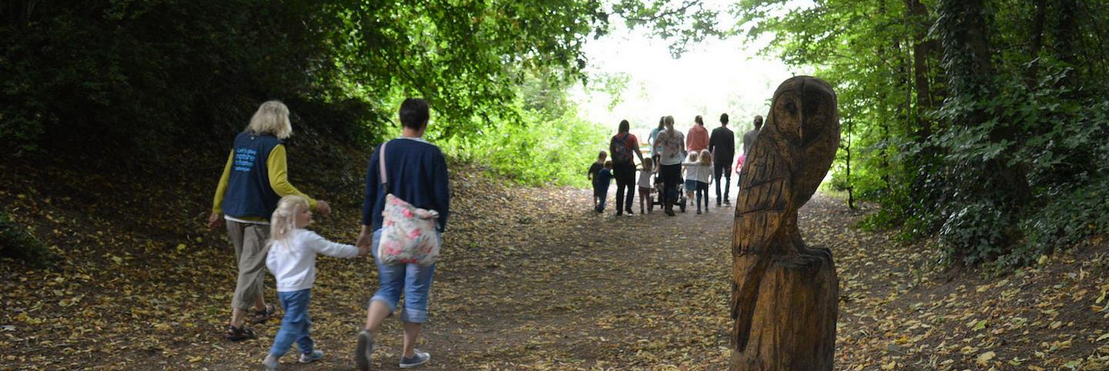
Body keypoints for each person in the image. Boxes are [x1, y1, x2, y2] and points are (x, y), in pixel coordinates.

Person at [207, 100, 332, 341]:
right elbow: (279, 184)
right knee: (251, 267)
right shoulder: (274, 147)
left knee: (248, 266)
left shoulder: (241, 140)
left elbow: (225, 177)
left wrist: (217, 208)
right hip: (257, 215)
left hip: (233, 212)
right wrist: (313, 203)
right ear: (281, 121)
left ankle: (260, 308)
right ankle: (236, 325)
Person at [354, 98, 450, 370]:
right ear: (424, 123)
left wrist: (365, 229)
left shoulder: (382, 150)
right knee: (416, 291)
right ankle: (408, 355)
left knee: (388, 288)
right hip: (421, 233)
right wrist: (440, 227)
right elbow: (442, 197)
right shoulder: (432, 154)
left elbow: (371, 193)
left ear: (401, 120)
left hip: (386, 232)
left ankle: (369, 333)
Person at [261, 196, 366, 371]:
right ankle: (273, 356)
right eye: (304, 211)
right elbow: (333, 249)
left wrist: (282, 276)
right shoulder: (307, 237)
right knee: (293, 323)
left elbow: (270, 262)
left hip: (283, 289)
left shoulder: (280, 238)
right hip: (299, 290)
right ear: (291, 218)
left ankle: (308, 352)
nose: (310, 213)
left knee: (301, 320)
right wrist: (357, 251)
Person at [609, 119, 645, 216]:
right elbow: (637, 150)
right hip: (628, 166)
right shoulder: (631, 138)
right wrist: (643, 161)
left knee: (620, 187)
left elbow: (612, 153)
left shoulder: (614, 138)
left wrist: (614, 164)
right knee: (631, 187)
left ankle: (619, 209)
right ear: (628, 127)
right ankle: (628, 207)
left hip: (617, 166)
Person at [654, 116, 685, 216]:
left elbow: (655, 145)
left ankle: (665, 203)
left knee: (666, 184)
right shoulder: (679, 134)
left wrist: (657, 153)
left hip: (664, 162)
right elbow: (682, 148)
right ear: (673, 122)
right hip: (676, 162)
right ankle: (669, 205)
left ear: (664, 123)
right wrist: (680, 155)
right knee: (673, 184)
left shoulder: (662, 134)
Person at [708, 113, 735, 207]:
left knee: (717, 179)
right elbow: (732, 149)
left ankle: (718, 198)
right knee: (728, 178)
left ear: (720, 120)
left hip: (718, 158)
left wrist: (709, 156)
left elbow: (711, 145)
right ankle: (725, 197)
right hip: (727, 159)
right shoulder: (730, 133)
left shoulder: (715, 131)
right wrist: (731, 161)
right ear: (727, 121)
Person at [694, 149, 713, 214]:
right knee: (706, 195)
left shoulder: (698, 163)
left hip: (698, 181)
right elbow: (712, 175)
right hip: (705, 182)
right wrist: (711, 180)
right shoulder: (710, 165)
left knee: (698, 195)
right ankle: (706, 207)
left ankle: (698, 208)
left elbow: (691, 165)